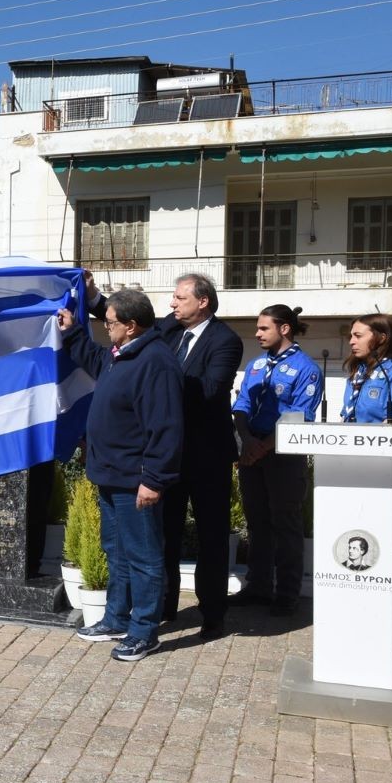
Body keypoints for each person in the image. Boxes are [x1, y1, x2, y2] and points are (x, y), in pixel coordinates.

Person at [86, 272, 242, 641]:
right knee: (162, 535)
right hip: (165, 456)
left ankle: (213, 615)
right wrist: (92, 297)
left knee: (211, 537)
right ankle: (163, 608)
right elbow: (130, 318)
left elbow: (209, 391)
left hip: (206, 457)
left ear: (202, 301)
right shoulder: (169, 329)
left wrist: (157, 383)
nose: (172, 304)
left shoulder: (226, 341)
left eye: (179, 298)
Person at [59, 290, 183, 661]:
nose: (106, 327)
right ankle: (116, 618)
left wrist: (153, 480)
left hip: (135, 481)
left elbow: (166, 427)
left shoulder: (155, 362)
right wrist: (73, 331)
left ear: (130, 326)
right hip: (111, 476)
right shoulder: (122, 354)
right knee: (117, 552)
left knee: (144, 557)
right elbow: (95, 359)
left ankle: (144, 632)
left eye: (110, 322)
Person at [231, 304, 323, 617]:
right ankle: (258, 587)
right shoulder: (256, 365)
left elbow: (300, 416)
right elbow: (242, 405)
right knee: (257, 523)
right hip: (251, 450)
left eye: (263, 328)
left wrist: (263, 446)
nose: (257, 334)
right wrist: (247, 440)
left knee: (286, 524)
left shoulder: (307, 368)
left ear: (284, 329)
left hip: (284, 455)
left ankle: (286, 594)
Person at [341, 314, 392, 424]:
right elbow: (346, 414)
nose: (351, 341)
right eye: (351, 336)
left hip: (377, 434)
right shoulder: (359, 370)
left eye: (358, 336)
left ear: (381, 338)